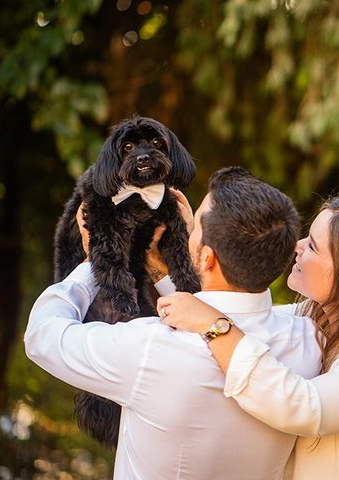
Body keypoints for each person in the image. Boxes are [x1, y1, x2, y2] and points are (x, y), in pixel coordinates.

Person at [24, 167, 322, 479]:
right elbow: (217, 316)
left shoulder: (151, 349)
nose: (187, 229)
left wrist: (95, 258)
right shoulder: (307, 340)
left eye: (193, 229)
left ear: (207, 258)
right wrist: (163, 274)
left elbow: (42, 336)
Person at [156, 195, 339, 480]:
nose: (297, 246)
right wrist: (194, 247)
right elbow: (242, 323)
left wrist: (212, 323)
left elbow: (301, 406)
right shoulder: (315, 318)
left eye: (312, 245)